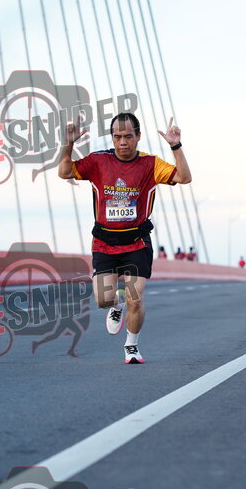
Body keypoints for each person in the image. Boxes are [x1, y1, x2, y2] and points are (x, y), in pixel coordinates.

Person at [58, 113, 192, 364]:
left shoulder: (151, 164)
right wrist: (69, 143)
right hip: (105, 242)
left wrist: (175, 146)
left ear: (138, 136)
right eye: (117, 136)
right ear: (112, 138)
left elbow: (184, 177)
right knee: (103, 299)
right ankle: (115, 305)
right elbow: (64, 172)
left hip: (136, 242)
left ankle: (131, 345)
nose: (122, 142)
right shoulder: (98, 161)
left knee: (136, 297)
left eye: (128, 136)